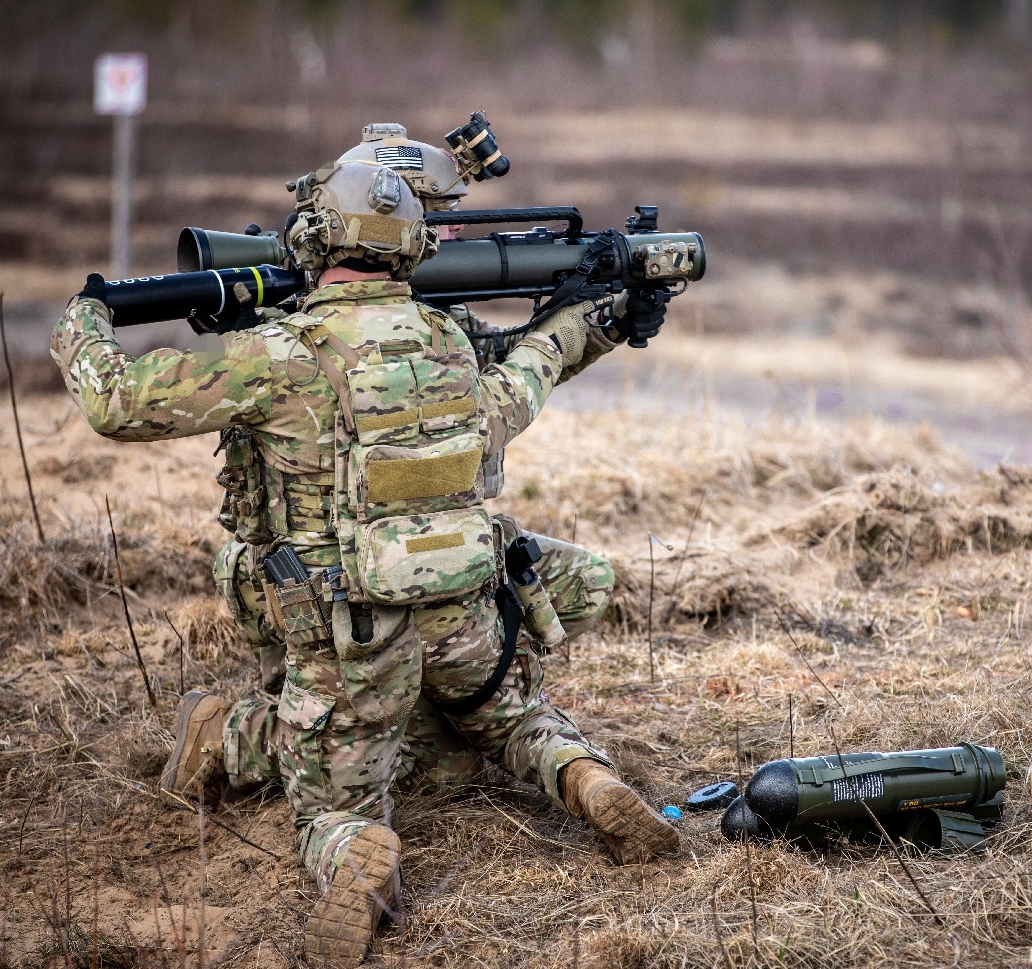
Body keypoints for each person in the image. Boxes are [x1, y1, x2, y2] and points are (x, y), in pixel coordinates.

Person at [51, 151, 677, 967]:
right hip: (463, 623)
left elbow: (117, 401)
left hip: (345, 634)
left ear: (317, 236)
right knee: (509, 716)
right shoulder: (451, 343)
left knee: (329, 802)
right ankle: (588, 782)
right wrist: (597, 318)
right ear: (413, 242)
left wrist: (83, 320)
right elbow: (534, 368)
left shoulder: (281, 357)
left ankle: (356, 856)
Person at [207, 125, 622, 798]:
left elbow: (507, 377)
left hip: (430, 570)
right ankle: (250, 732)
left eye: (447, 221)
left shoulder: (440, 331)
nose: (445, 241)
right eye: (431, 220)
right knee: (438, 760)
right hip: (326, 587)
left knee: (583, 580)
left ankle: (429, 707)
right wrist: (565, 338)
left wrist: (595, 328)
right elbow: (517, 380)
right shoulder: (297, 332)